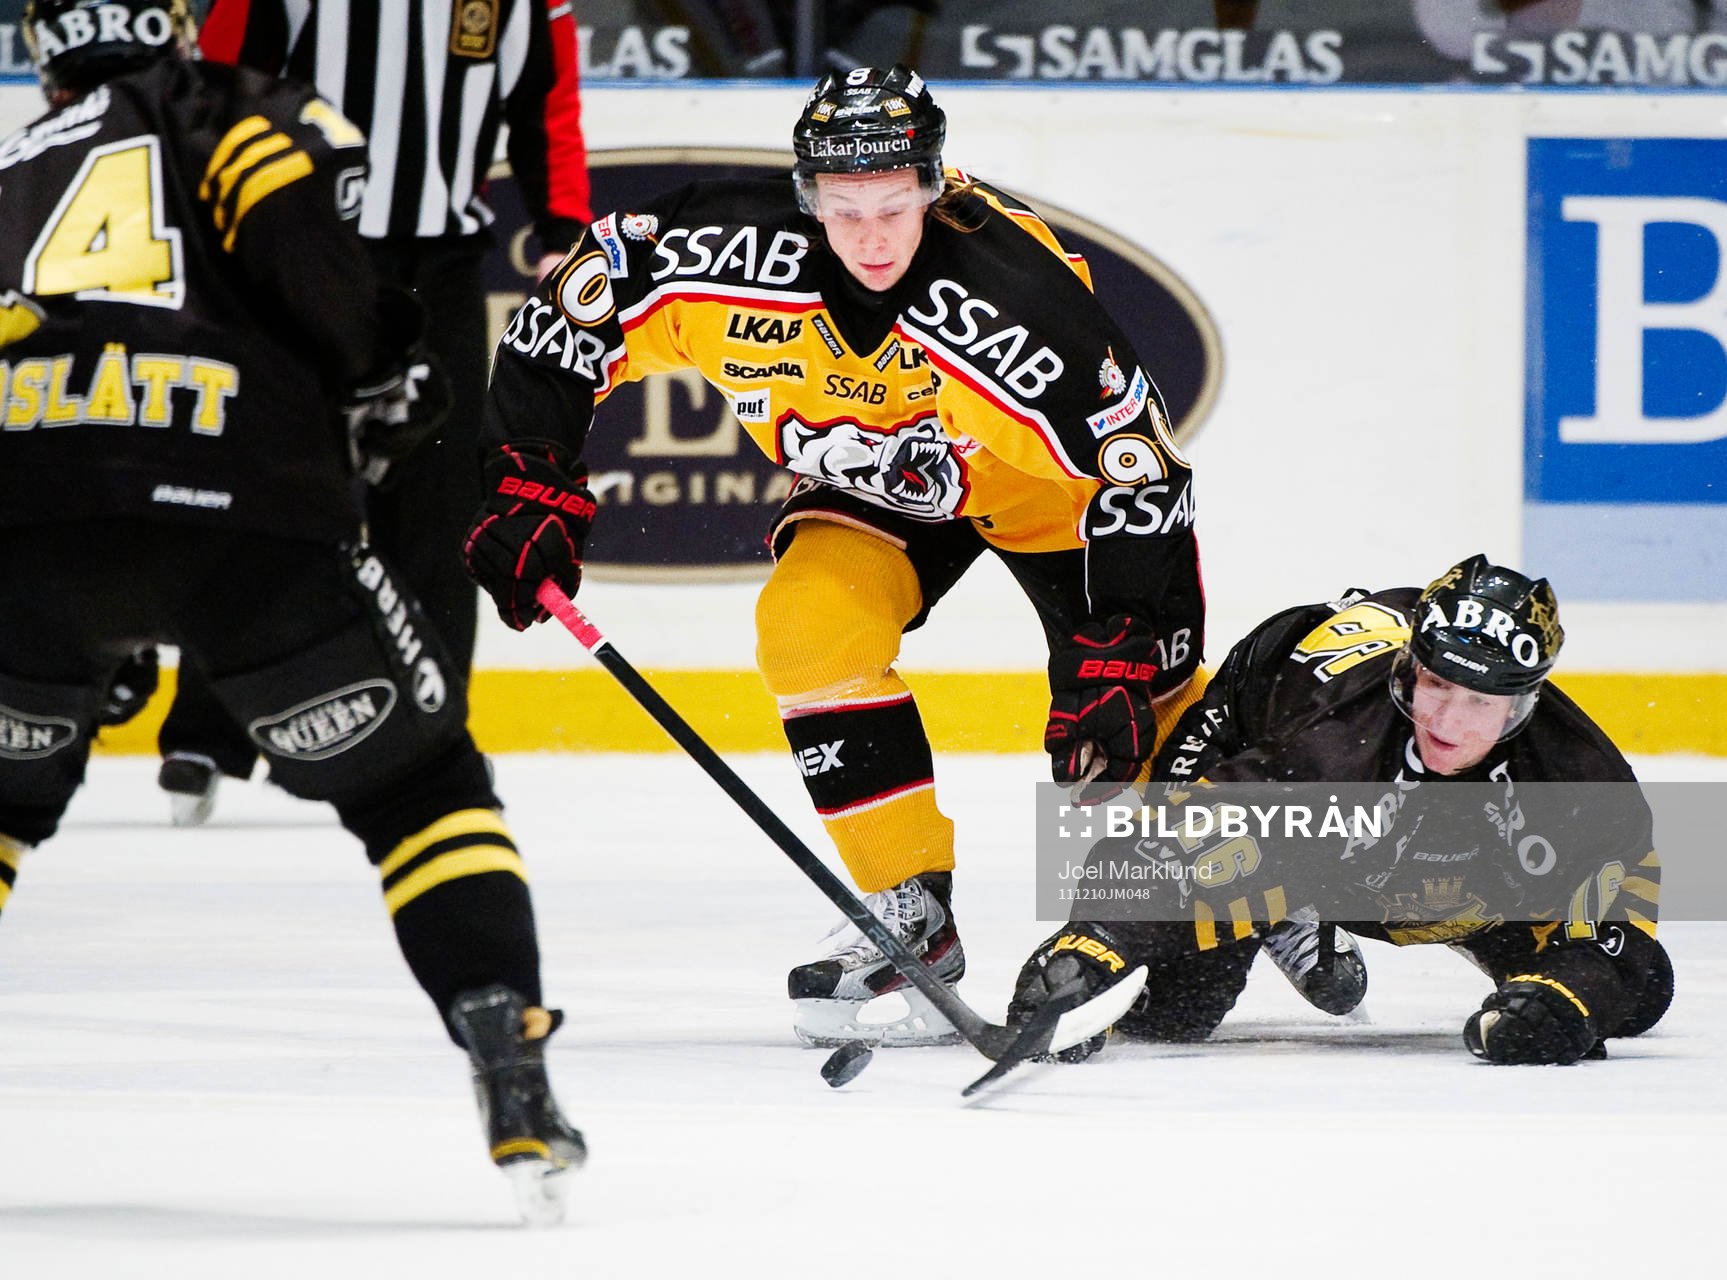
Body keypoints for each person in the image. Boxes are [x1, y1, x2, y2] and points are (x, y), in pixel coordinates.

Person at [462, 64, 1208, 1047]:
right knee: (805, 628)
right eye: (843, 207)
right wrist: (530, 478)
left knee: (1133, 718)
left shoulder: (1021, 309)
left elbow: (1138, 473)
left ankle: (1282, 891)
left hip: (1049, 491)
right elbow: (566, 319)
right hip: (881, 480)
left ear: (934, 189)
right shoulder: (716, 250)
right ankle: (910, 909)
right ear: (807, 196)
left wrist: (1116, 647)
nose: (869, 235)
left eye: (894, 205)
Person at [0, 0, 582, 1222]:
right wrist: (389, 376)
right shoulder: (232, 111)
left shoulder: (12, 155)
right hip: (239, 502)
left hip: (28, 524)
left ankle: (1108, 918)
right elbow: (316, 264)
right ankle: (506, 1048)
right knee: (419, 790)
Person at [145, 0, 593, 826]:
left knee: (444, 501)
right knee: (263, 480)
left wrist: (562, 224)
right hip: (300, 253)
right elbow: (212, 82)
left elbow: (546, 101)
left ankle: (433, 727)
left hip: (443, 268)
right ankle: (208, 730)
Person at [1009, 555, 1673, 1065]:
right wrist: (1089, 945)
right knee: (1175, 1010)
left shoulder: (1580, 780)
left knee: (1630, 995)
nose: (1444, 720)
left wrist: (1565, 1000)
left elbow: (1615, 915)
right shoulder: (1328, 750)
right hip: (1253, 732)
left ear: (1522, 704)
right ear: (1407, 669)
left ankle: (1306, 888)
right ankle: (1282, 896)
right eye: (1435, 683)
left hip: (1420, 861)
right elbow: (1158, 853)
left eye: (1479, 701)